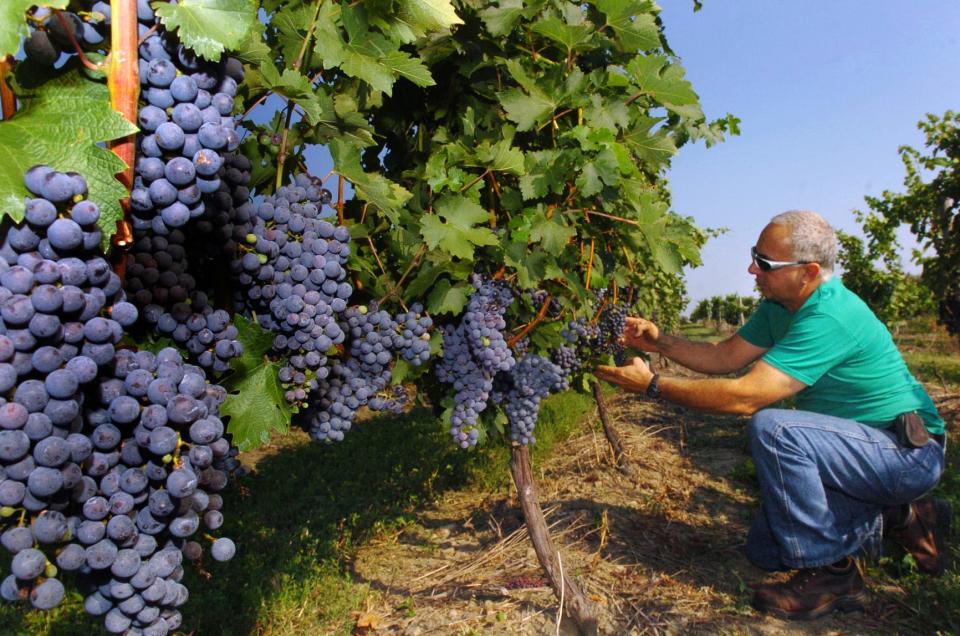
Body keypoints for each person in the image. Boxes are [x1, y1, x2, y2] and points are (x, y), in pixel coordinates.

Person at [596, 210, 949, 621]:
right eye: (754, 255)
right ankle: (906, 516)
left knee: (776, 428)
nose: (751, 268)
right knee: (767, 551)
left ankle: (832, 573)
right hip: (858, 452)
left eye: (764, 263)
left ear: (808, 271)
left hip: (905, 452)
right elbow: (723, 357)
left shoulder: (830, 315)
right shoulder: (781, 306)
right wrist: (661, 343)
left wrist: (653, 386)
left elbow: (746, 397)